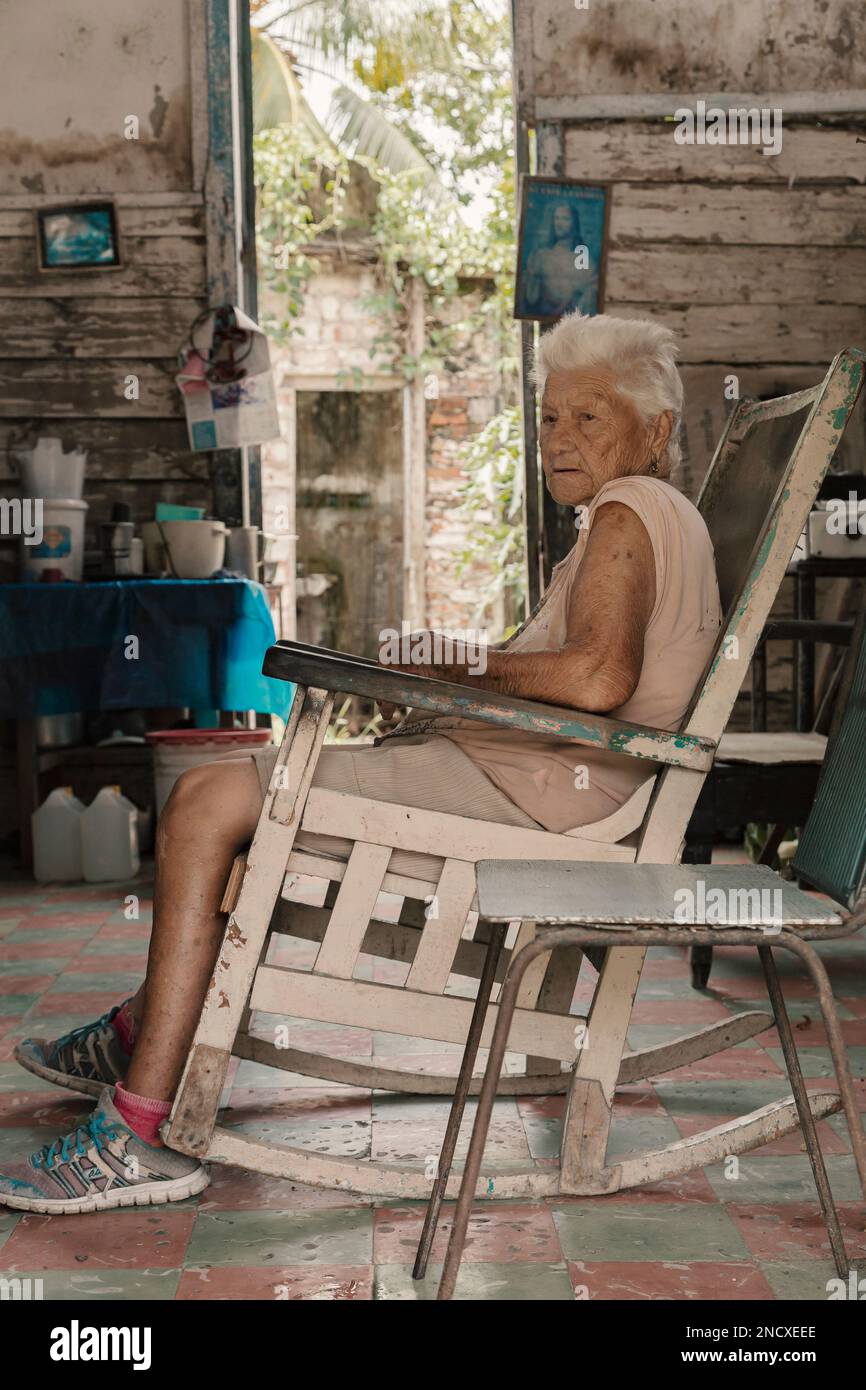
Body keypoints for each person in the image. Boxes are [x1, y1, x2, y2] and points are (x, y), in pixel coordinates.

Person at [0, 311, 721, 1213]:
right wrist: (438, 673)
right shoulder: (641, 517)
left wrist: (459, 664)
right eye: (548, 418)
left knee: (206, 800)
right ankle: (147, 1028)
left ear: (653, 430)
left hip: (536, 801)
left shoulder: (628, 511)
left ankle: (141, 1130)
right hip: (532, 781)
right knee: (231, 802)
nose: (560, 439)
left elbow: (598, 675)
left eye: (589, 417)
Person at [523, 201, 597, 317]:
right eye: (556, 218)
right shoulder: (541, 255)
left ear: (574, 224)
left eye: (565, 219)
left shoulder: (583, 258)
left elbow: (589, 293)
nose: (559, 223)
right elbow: (530, 298)